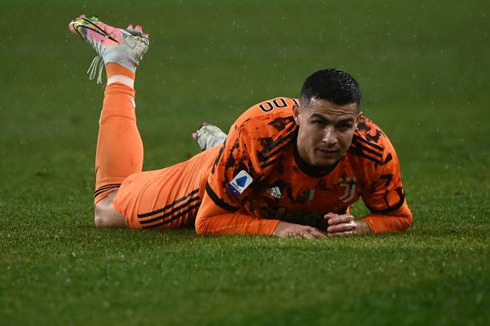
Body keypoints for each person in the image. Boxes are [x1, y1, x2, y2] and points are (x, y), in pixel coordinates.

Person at [68, 15, 412, 238]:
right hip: (213, 178)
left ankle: (226, 149)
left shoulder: (374, 149)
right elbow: (207, 222)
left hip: (250, 172)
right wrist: (278, 230)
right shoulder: (259, 136)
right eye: (318, 122)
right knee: (108, 210)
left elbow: (398, 216)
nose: (330, 138)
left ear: (358, 123)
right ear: (297, 117)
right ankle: (121, 65)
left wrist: (362, 226)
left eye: (344, 126)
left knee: (246, 167)